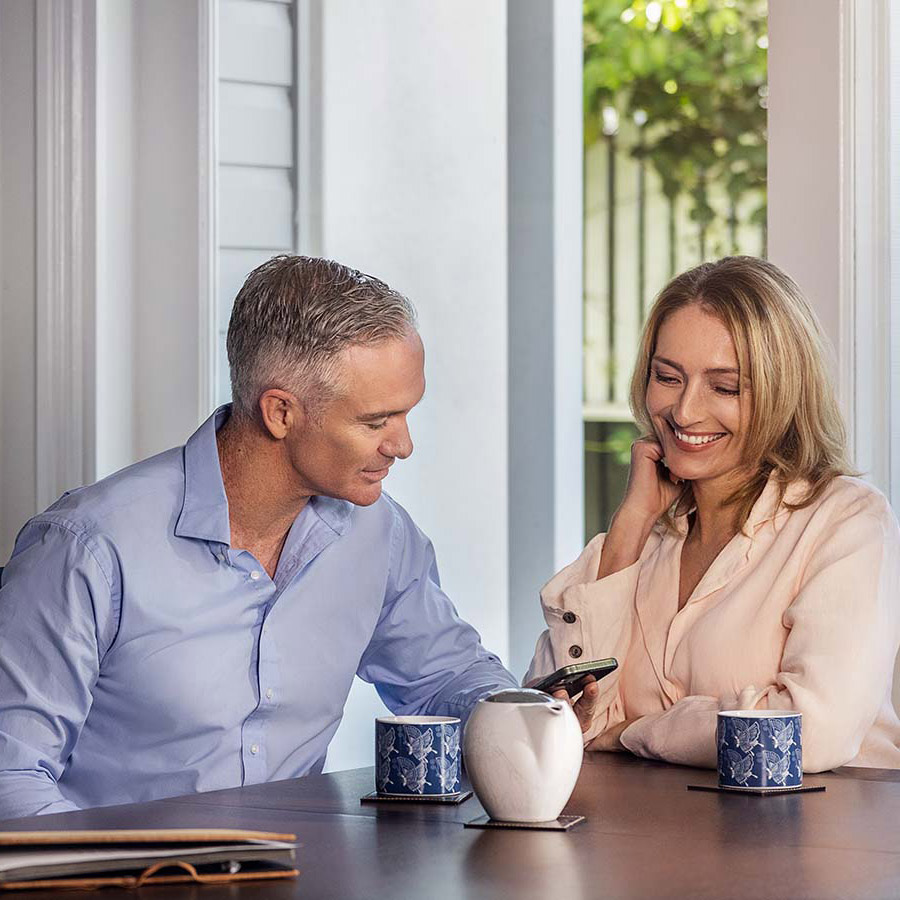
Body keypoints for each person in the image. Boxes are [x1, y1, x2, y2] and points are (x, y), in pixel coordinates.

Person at [0, 255, 518, 819]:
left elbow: (444, 675)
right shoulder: (87, 549)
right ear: (280, 413)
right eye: (376, 422)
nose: (402, 445)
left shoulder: (379, 535)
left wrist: (523, 712)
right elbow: (12, 777)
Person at [527, 256, 900, 772]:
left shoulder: (846, 521)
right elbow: (553, 721)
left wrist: (639, 731)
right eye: (667, 377)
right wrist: (630, 526)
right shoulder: (644, 540)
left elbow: (806, 735)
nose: (685, 412)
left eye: (724, 387)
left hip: (815, 840)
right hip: (657, 841)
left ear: (783, 393)